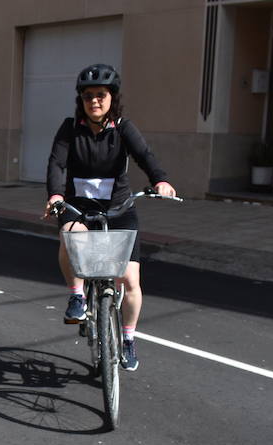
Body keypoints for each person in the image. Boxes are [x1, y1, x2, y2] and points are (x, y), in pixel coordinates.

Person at [44, 63, 177, 372]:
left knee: (130, 280)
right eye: (88, 95)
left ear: (111, 97)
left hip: (119, 209)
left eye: (101, 95)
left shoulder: (123, 127)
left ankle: (128, 339)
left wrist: (161, 180)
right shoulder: (70, 128)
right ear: (81, 99)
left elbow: (145, 155)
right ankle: (77, 297)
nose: (95, 101)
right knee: (70, 236)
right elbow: (56, 164)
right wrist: (55, 195)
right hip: (79, 207)